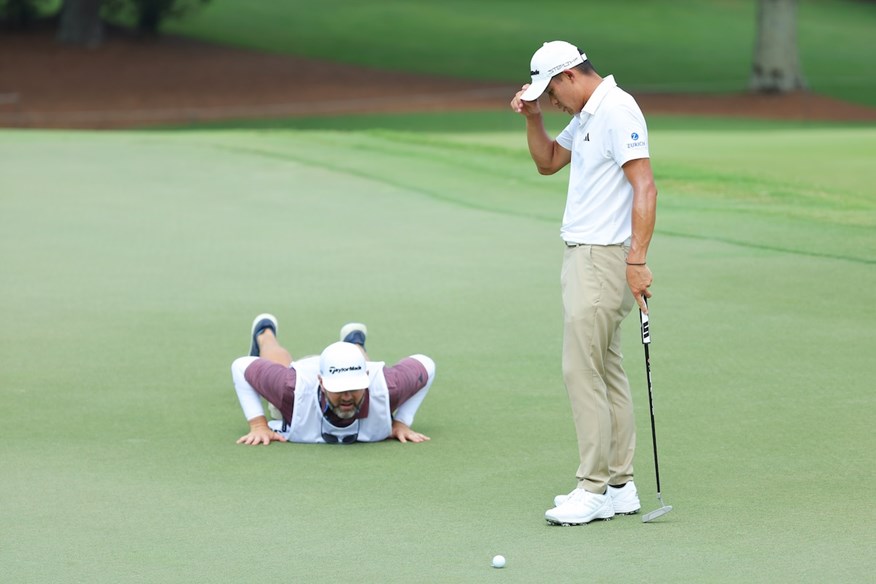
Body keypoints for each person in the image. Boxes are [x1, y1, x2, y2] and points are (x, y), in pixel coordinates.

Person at [510, 41, 658, 525]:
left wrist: (636, 259)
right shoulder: (590, 113)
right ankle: (620, 485)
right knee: (605, 368)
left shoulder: (616, 110)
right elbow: (549, 161)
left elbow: (645, 185)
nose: (552, 100)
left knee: (581, 371)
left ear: (572, 74)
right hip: (590, 257)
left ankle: (592, 488)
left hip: (602, 258)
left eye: (552, 90)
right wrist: (533, 118)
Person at [231, 314, 435, 445]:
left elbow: (426, 364)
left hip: (357, 371)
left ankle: (354, 343)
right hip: (305, 372)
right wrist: (258, 425)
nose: (347, 396)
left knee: (360, 362)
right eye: (339, 389)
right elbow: (241, 366)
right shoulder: (290, 389)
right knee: (277, 385)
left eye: (354, 387)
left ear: (365, 379)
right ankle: (264, 333)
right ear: (322, 382)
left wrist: (401, 421)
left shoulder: (389, 386)